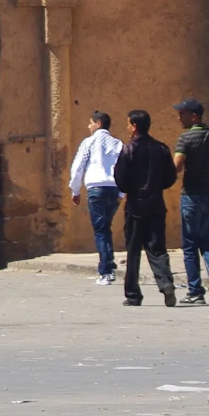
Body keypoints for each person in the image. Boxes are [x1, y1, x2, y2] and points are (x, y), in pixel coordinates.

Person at [170, 98, 209, 303]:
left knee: (190, 245)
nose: (179, 117)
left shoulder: (185, 139)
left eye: (183, 113)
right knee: (207, 242)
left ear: (194, 116)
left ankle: (195, 292)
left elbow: (177, 166)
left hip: (191, 197)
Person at [114, 109, 177, 307]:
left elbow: (121, 180)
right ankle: (166, 283)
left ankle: (133, 294)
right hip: (157, 205)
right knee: (157, 249)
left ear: (134, 126)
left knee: (133, 251)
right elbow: (170, 177)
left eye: (128, 124)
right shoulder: (162, 149)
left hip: (135, 207)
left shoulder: (128, 150)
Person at [69, 111, 125, 285]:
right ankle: (109, 261)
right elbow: (125, 168)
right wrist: (122, 193)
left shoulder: (89, 142)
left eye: (91, 123)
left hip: (96, 189)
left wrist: (75, 190)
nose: (88, 126)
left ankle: (106, 272)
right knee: (105, 227)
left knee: (100, 230)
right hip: (114, 189)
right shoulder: (118, 143)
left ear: (98, 123)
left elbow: (78, 167)